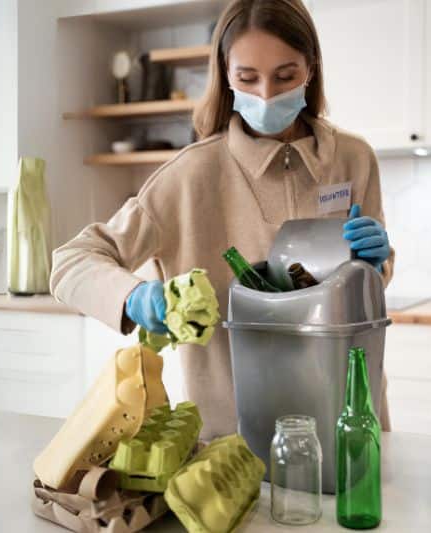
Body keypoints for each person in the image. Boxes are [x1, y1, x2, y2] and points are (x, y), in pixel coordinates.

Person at [50, 0, 395, 439]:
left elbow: (369, 287)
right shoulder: (189, 177)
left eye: (285, 75)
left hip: (349, 420)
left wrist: (378, 262)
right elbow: (71, 261)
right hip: (234, 441)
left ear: (311, 68)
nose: (266, 95)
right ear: (225, 74)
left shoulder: (354, 159)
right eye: (248, 78)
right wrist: (134, 296)